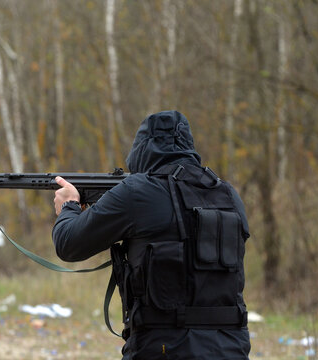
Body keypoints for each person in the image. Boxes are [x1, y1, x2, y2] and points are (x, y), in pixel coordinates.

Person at [52, 110, 251, 360]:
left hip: (163, 349)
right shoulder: (229, 196)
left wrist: (69, 205)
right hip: (231, 349)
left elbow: (68, 243)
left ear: (143, 148)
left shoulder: (137, 192)